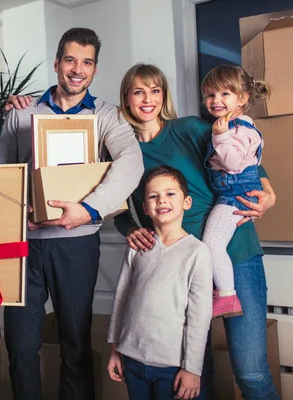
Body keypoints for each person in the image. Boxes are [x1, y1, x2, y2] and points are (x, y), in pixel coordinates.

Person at [0, 27, 143, 400]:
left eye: (87, 63)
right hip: (23, 245)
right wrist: (15, 212)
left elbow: (131, 162)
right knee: (20, 343)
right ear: (58, 63)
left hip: (76, 244)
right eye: (71, 60)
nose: (78, 69)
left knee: (75, 343)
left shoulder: (107, 116)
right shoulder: (22, 114)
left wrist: (89, 209)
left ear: (94, 70)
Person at [114, 63, 279, 399]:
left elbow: (238, 151)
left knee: (249, 372)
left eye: (155, 90)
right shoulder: (122, 151)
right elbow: (117, 205)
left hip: (233, 252)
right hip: (178, 268)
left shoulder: (188, 128)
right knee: (193, 375)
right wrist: (130, 228)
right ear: (127, 99)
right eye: (138, 91)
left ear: (164, 95)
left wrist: (267, 187)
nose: (148, 99)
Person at [107, 165, 212, 400]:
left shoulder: (197, 252)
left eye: (170, 194)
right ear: (145, 208)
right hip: (131, 360)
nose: (161, 200)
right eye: (153, 196)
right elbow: (121, 299)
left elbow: (199, 316)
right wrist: (115, 349)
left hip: (172, 366)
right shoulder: (138, 247)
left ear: (187, 202)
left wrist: (192, 369)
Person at [199, 65, 270, 318]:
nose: (215, 100)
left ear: (242, 98)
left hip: (234, 195)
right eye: (210, 95)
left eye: (224, 94)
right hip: (229, 193)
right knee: (214, 242)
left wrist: (220, 137)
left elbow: (232, 163)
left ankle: (227, 295)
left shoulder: (241, 129)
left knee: (212, 243)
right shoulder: (229, 125)